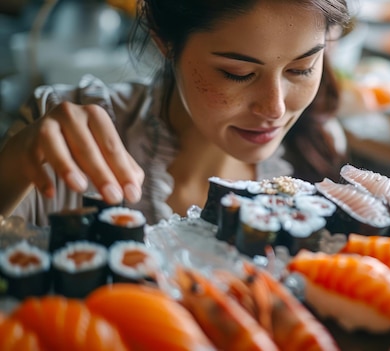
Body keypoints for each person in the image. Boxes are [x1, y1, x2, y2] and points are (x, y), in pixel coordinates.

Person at [0, 0, 351, 226]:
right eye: (237, 73)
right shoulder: (65, 143)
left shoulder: (318, 143)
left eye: (301, 68)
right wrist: (12, 164)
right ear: (163, 41)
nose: (274, 108)